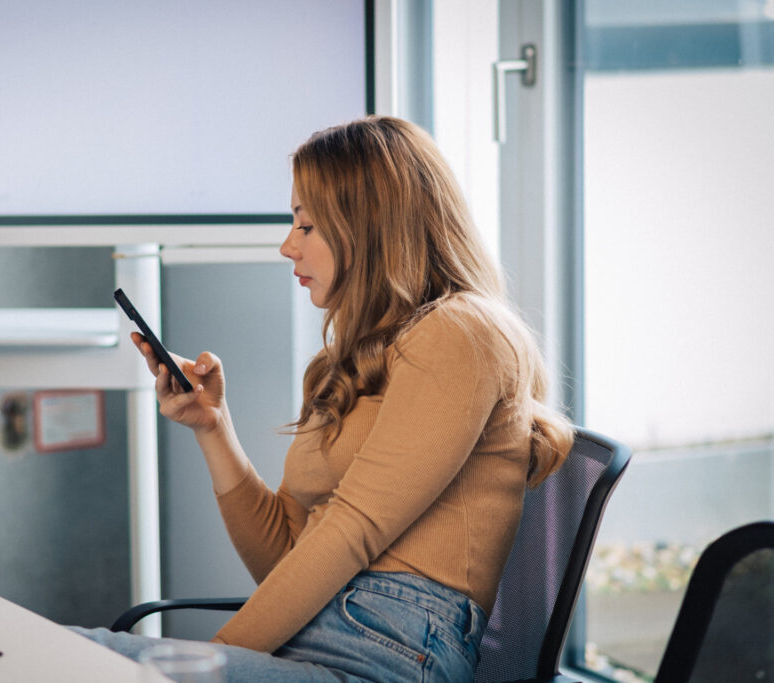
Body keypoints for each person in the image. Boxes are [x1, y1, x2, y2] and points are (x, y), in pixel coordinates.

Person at [75, 116, 574, 682]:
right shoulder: (356, 358)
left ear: (372, 227)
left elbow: (351, 529)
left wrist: (195, 667)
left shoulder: (463, 332)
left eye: (306, 226)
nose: (288, 246)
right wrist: (212, 427)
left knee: (60, 659)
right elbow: (286, 554)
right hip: (313, 638)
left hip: (387, 658)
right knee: (48, 654)